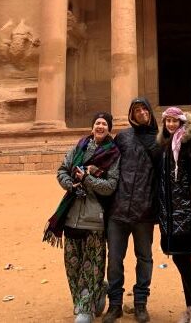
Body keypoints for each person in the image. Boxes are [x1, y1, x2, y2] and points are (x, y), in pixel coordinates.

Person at [44, 112, 120, 323]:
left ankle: (84, 310)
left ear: (109, 129)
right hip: (71, 216)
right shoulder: (79, 148)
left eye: (105, 124)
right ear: (92, 127)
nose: (100, 126)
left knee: (92, 263)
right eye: (97, 123)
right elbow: (62, 170)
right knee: (73, 264)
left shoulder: (113, 154)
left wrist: (87, 179)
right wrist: (72, 185)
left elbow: (111, 186)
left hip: (95, 218)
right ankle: (93, 295)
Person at [103, 97, 160, 323]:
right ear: (131, 114)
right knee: (115, 259)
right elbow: (108, 165)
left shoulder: (159, 140)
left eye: (144, 108)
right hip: (118, 210)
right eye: (136, 110)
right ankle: (114, 304)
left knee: (144, 258)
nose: (141, 112)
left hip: (144, 210)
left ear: (150, 112)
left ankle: (140, 303)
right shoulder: (123, 137)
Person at [157, 106, 191, 323]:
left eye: (174, 121)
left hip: (184, 215)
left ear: (181, 122)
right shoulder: (165, 146)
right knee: (180, 260)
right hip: (169, 215)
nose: (170, 124)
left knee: (183, 261)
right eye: (167, 121)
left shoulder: (187, 146)